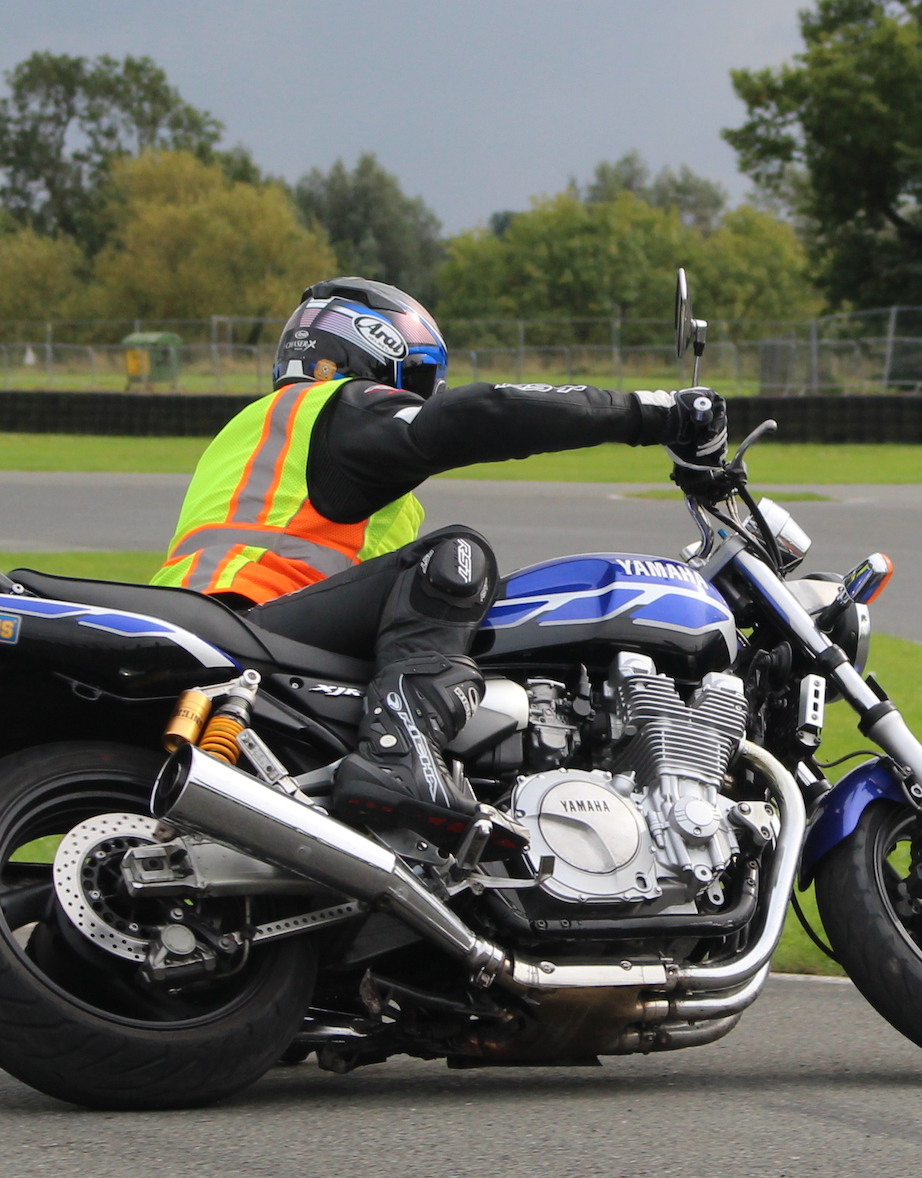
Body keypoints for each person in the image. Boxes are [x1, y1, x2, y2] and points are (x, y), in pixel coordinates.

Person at [150, 277, 727, 838]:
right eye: (422, 377)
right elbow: (479, 415)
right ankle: (399, 754)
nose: (427, 394)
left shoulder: (268, 437)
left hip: (228, 629)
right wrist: (650, 412)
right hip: (251, 626)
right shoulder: (332, 405)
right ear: (373, 354)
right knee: (457, 557)